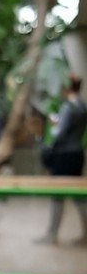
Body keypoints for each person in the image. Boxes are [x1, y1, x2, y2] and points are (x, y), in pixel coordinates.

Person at [37, 75, 87, 245]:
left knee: (57, 195)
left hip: (64, 156)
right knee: (79, 197)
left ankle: (52, 235)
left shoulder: (68, 108)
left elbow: (59, 133)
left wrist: (53, 125)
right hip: (77, 154)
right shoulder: (82, 107)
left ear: (67, 88)